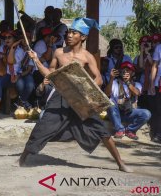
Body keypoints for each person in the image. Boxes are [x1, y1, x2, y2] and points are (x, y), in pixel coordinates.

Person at [19, 17, 132, 173]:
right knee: (42, 126)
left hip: (81, 99)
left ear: (83, 37)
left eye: (74, 33)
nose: (69, 35)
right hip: (61, 96)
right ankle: (22, 159)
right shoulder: (58, 53)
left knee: (102, 131)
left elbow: (98, 79)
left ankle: (120, 163)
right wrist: (37, 61)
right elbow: (50, 74)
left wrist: (86, 87)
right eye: (69, 33)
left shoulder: (87, 57)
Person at [105, 61, 151, 140]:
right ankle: (120, 129)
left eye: (128, 70)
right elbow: (106, 94)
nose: (126, 72)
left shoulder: (137, 84)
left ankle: (130, 130)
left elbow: (137, 93)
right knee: (110, 104)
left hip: (130, 112)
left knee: (146, 113)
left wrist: (127, 82)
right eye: (124, 70)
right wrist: (111, 78)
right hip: (116, 113)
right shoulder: (115, 83)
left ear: (133, 73)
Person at [149, 33, 161, 143]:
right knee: (159, 109)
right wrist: (152, 83)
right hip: (160, 83)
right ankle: (157, 134)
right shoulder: (159, 47)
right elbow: (154, 66)